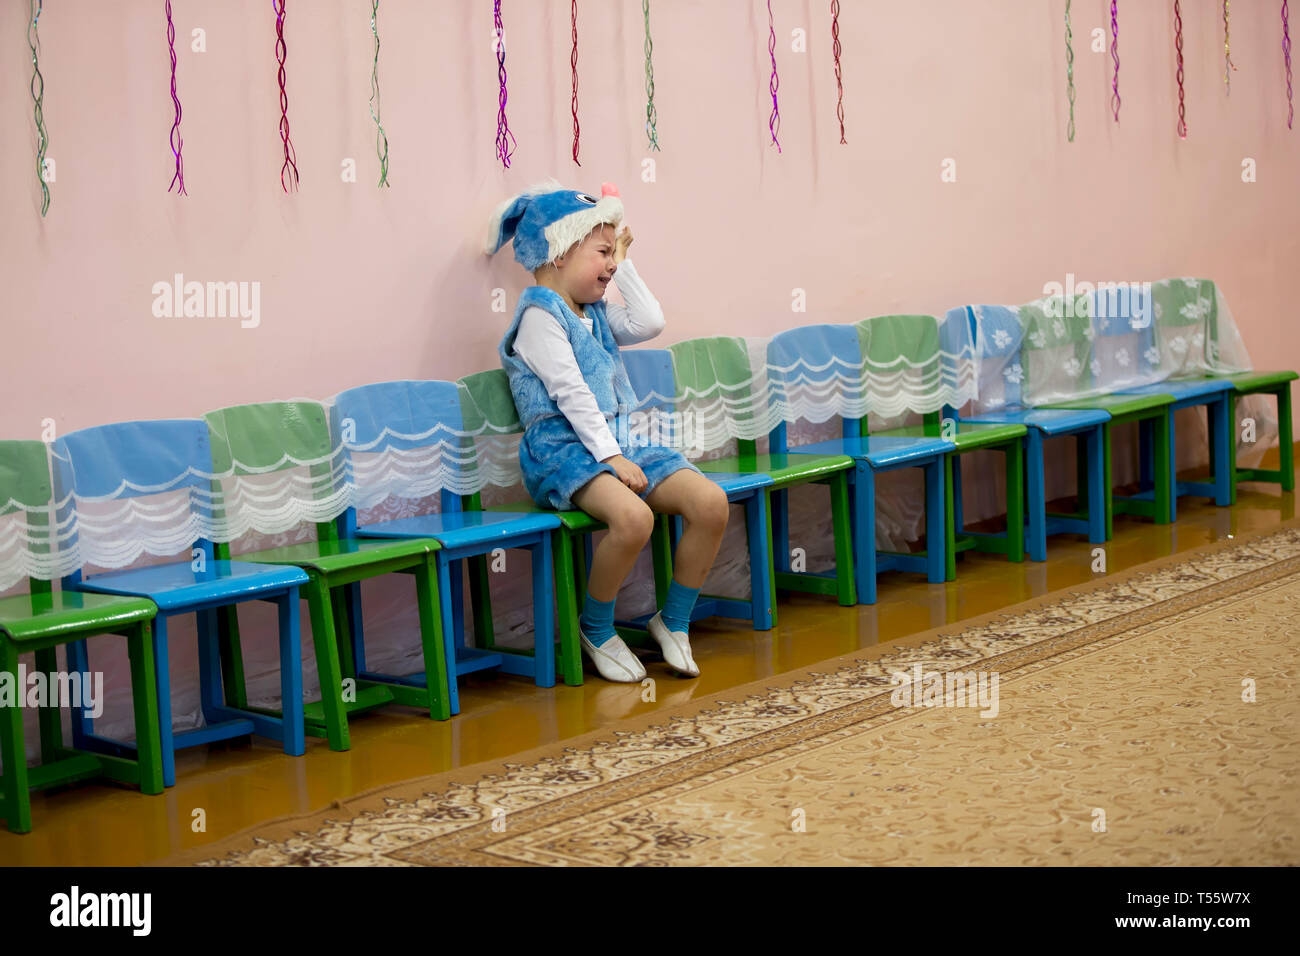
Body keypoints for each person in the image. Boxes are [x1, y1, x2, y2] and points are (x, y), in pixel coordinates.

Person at [487, 181, 729, 683]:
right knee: (634, 520)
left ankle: (673, 621)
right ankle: (596, 628)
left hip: (620, 442)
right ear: (558, 252)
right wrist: (611, 459)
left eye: (612, 252)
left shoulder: (593, 312)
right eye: (601, 251)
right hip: (563, 452)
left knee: (711, 504)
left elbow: (649, 321)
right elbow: (572, 394)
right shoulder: (538, 317)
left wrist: (625, 258)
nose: (610, 263)